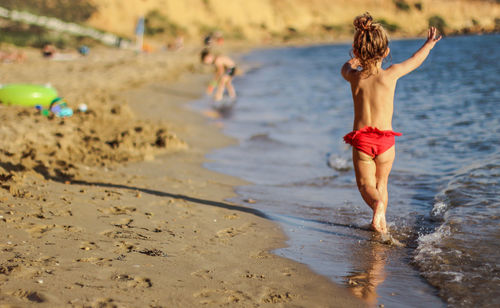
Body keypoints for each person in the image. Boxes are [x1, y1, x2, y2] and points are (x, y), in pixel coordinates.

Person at [341, 13, 441, 234]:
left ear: (357, 51)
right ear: (386, 52)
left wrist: (355, 60)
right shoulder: (391, 74)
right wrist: (428, 45)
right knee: (381, 184)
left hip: (363, 141)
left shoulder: (355, 77)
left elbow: (344, 68)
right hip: (386, 141)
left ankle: (377, 208)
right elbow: (415, 60)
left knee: (366, 186)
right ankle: (381, 223)